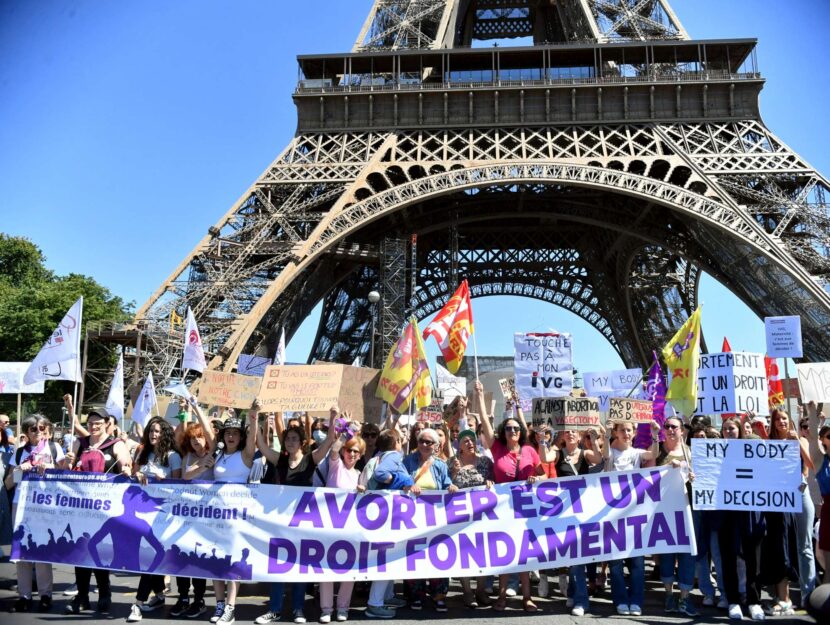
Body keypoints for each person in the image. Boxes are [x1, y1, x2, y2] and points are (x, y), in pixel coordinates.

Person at [254, 407, 336, 624]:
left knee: (300, 568)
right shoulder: (279, 460)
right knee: (279, 567)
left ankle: (298, 609)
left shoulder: (311, 459)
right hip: (280, 523)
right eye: (287, 439)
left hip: (302, 523)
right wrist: (256, 417)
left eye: (293, 439)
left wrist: (334, 417)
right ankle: (275, 609)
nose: (289, 442)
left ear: (301, 442)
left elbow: (329, 442)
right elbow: (261, 445)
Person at [475, 381, 542, 612]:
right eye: (508, 428)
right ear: (503, 432)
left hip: (525, 508)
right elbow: (484, 423)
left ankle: (526, 597)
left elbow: (545, 477)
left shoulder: (530, 451)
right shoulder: (498, 449)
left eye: (515, 428)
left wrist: (537, 479)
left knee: (524, 555)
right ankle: (502, 597)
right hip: (502, 508)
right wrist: (481, 394)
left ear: (521, 432)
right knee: (504, 553)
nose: (512, 431)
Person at [62, 401, 133, 615]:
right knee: (81, 550)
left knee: (100, 550)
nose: (94, 426)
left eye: (98, 423)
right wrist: (67, 461)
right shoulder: (80, 443)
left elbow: (126, 464)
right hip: (81, 507)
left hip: (105, 508)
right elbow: (65, 470)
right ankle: (82, 596)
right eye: (91, 423)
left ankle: (104, 594)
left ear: (107, 423)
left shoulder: (115, 444)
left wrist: (127, 466)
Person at [5, 414, 65, 613]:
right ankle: (24, 595)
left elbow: (66, 476)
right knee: (22, 553)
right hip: (21, 506)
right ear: (26, 432)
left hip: (45, 506)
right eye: (33, 429)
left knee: (42, 550)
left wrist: (51, 468)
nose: (38, 433)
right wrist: (20, 470)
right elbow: (8, 483)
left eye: (41, 428)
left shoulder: (55, 449)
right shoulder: (20, 452)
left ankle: (45, 595)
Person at [601, 419, 660, 617]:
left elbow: (653, 454)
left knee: (637, 562)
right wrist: (606, 432)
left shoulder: (636, 453)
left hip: (634, 513)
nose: (626, 433)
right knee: (616, 563)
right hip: (613, 514)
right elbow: (604, 454)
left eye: (629, 430)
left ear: (634, 433)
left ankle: (636, 601)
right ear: (616, 432)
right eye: (622, 430)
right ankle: (620, 600)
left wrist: (654, 435)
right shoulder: (611, 452)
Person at [126, 416, 183, 622]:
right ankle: (159, 595)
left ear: (165, 434)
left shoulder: (173, 456)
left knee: (150, 557)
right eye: (151, 431)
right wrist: (138, 475)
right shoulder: (142, 452)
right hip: (142, 513)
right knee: (149, 556)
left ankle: (138, 604)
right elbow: (132, 478)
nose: (153, 434)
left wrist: (162, 480)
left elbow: (178, 486)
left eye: (158, 431)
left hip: (163, 515)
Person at [402, 427, 458, 611]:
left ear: (436, 446)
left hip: (435, 519)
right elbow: (400, 481)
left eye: (429, 442)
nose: (424, 445)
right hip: (412, 518)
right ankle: (415, 595)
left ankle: (438, 594)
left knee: (438, 554)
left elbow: (446, 483)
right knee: (414, 555)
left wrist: (451, 487)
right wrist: (409, 485)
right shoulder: (408, 461)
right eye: (421, 441)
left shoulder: (440, 465)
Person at [210, 409, 259, 625]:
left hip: (237, 517)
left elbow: (254, 438)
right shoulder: (217, 454)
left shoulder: (245, 456)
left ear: (241, 437)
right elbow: (205, 428)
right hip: (215, 516)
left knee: (232, 561)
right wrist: (193, 407)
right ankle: (219, 603)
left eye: (235, 433)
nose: (230, 436)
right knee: (215, 561)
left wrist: (254, 417)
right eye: (227, 432)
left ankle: (230, 606)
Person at [717, 416, 765, 621]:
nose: (728, 432)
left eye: (732, 429)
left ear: (740, 431)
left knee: (753, 558)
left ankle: (754, 601)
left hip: (750, 512)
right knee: (728, 556)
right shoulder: (715, 453)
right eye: (725, 429)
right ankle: (734, 601)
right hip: (726, 512)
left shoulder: (751, 449)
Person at [171, 397, 216, 618]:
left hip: (207, 513)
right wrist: (200, 467)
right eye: (194, 440)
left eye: (201, 439)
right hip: (187, 511)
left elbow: (208, 431)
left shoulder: (215, 452)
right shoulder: (188, 456)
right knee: (182, 555)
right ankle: (182, 596)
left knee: (198, 555)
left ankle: (199, 599)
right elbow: (186, 476)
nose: (198, 443)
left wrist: (196, 407)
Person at [318, 426, 366, 623]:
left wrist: (363, 490)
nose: (352, 454)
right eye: (349, 450)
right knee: (326, 568)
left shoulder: (360, 474)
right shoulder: (335, 466)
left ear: (360, 455)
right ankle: (326, 609)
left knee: (349, 569)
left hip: (350, 528)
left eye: (356, 451)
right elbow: (335, 449)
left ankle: (343, 608)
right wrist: (348, 432)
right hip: (330, 526)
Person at [653, 416, 699, 616]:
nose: (670, 429)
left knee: (687, 555)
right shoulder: (658, 451)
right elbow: (647, 476)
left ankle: (685, 598)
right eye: (667, 426)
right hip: (663, 510)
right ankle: (669, 595)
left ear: (682, 431)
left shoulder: (690, 452)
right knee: (667, 555)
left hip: (686, 510)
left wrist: (693, 478)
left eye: (675, 427)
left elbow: (703, 479)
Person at [758, 409, 801, 616]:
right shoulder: (768, 445)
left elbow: (808, 468)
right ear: (773, 423)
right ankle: (779, 596)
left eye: (785, 418)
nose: (782, 422)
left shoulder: (795, 442)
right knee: (773, 548)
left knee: (784, 548)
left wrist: (797, 444)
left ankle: (786, 598)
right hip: (770, 505)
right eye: (778, 419)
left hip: (786, 505)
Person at [448, 428, 494, 608]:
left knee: (484, 552)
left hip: (483, 515)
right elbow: (446, 484)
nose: (470, 443)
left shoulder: (485, 461)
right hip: (461, 516)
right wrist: (452, 478)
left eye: (472, 440)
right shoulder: (452, 462)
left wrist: (491, 482)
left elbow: (493, 481)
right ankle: (467, 591)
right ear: (459, 445)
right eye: (465, 440)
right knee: (464, 552)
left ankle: (481, 589)